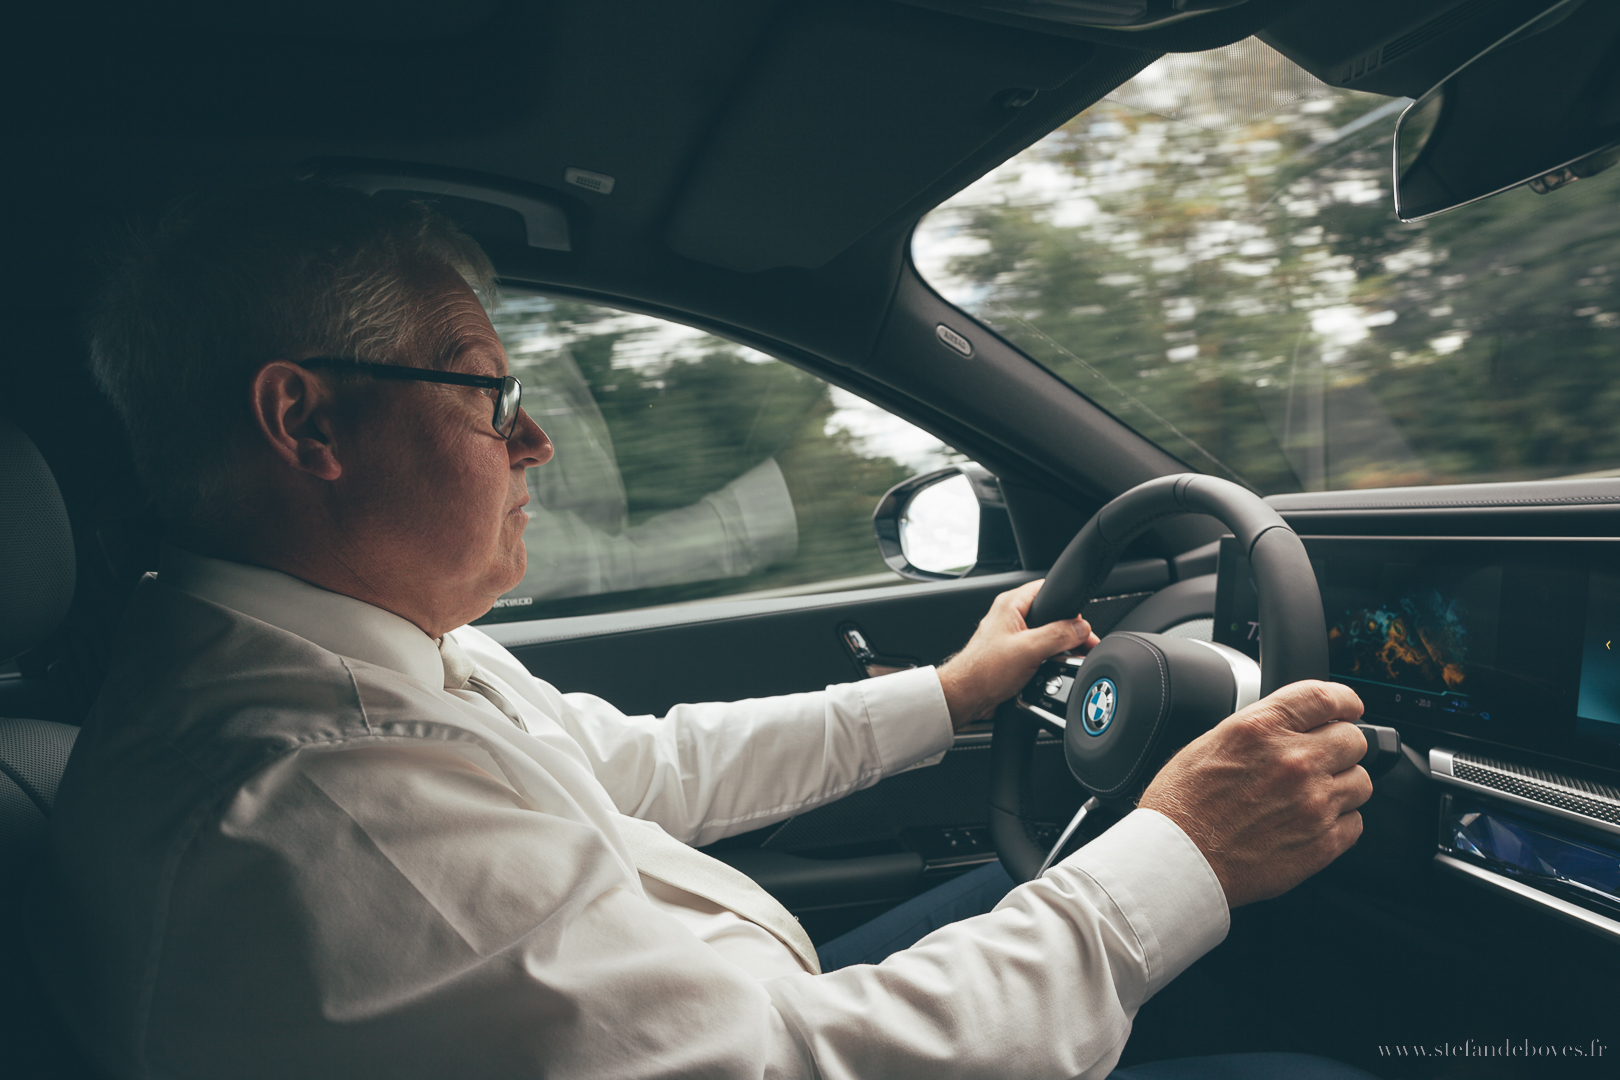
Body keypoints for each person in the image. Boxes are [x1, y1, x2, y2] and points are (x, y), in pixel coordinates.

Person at [39, 183, 1377, 1080]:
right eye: (489, 396)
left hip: (735, 1008)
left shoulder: (350, 656)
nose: (534, 440)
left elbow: (649, 766)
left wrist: (954, 693)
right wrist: (1186, 851)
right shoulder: (319, 799)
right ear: (306, 422)